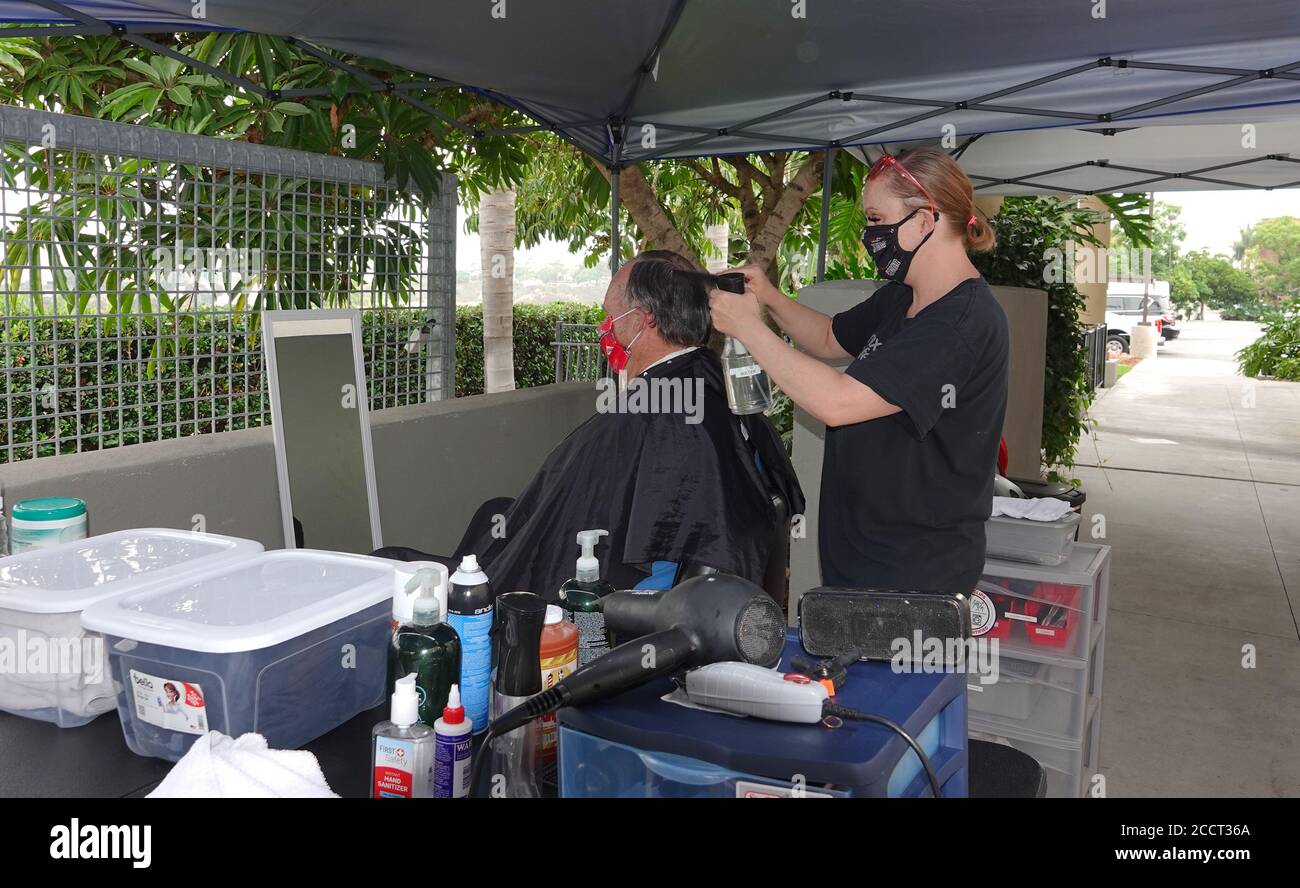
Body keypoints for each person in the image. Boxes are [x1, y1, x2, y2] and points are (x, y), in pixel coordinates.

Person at [374, 250, 800, 600]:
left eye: (610, 316)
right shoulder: (703, 385)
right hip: (617, 550)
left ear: (644, 319)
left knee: (387, 559)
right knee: (495, 513)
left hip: (591, 582)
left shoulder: (668, 411)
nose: (605, 329)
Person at [709, 146, 1008, 595]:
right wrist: (768, 296)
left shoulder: (960, 323)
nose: (870, 235)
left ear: (925, 221)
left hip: (914, 574)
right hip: (860, 556)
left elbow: (838, 402)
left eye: (875, 219)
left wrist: (748, 329)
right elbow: (829, 337)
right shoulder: (903, 296)